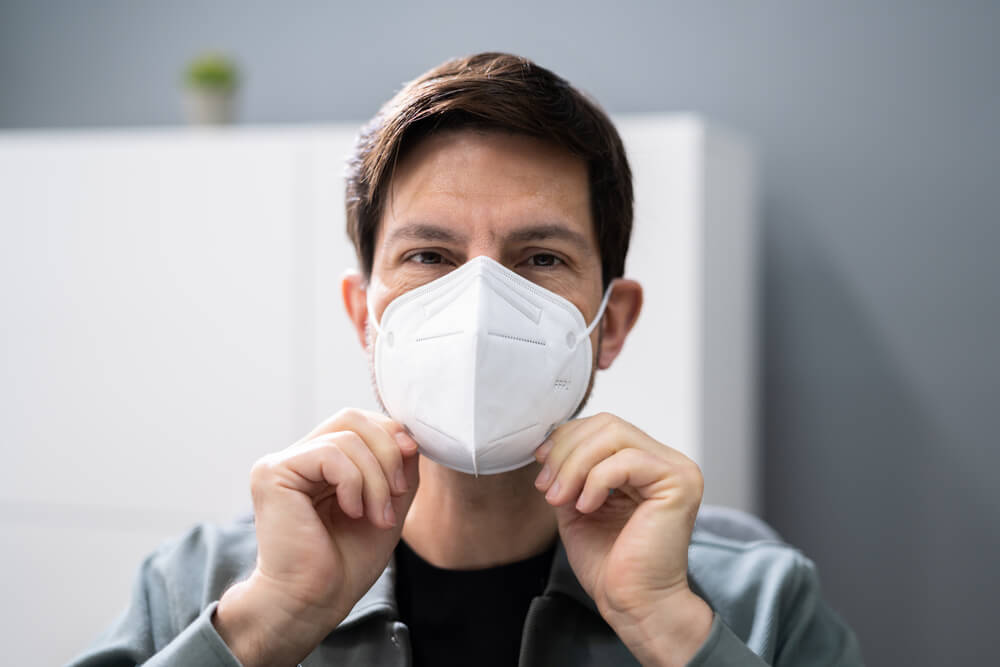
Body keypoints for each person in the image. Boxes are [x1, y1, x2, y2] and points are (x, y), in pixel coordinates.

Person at [68, 52, 862, 667]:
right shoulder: (199, 583)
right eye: (429, 255)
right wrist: (264, 623)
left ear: (609, 322)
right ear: (363, 316)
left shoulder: (757, 598)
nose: (480, 298)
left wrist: (673, 629)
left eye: (542, 258)